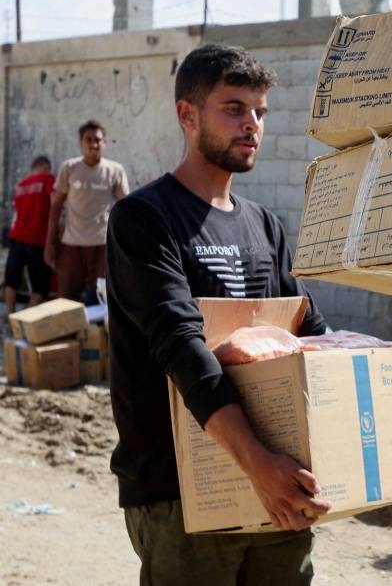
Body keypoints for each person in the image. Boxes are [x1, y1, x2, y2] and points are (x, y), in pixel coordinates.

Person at [106, 44, 333, 585]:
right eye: (233, 108)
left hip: (277, 485)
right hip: (182, 493)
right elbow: (181, 346)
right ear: (187, 114)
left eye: (259, 111)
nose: (251, 124)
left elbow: (314, 338)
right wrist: (255, 462)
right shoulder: (143, 218)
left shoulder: (265, 227)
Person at [45, 119, 129, 304]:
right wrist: (49, 243)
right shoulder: (69, 168)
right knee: (66, 300)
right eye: (88, 139)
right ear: (81, 142)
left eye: (98, 140)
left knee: (102, 299)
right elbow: (56, 206)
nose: (93, 144)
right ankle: (69, 334)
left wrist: (125, 243)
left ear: (104, 142)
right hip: (71, 245)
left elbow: (126, 207)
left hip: (102, 246)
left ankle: (98, 334)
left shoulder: (115, 171)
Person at [4, 155, 56, 316]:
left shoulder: (20, 185)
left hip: (17, 237)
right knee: (40, 288)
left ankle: (11, 317)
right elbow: (56, 203)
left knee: (11, 281)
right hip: (38, 240)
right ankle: (24, 319)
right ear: (44, 167)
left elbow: (17, 211)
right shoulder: (48, 178)